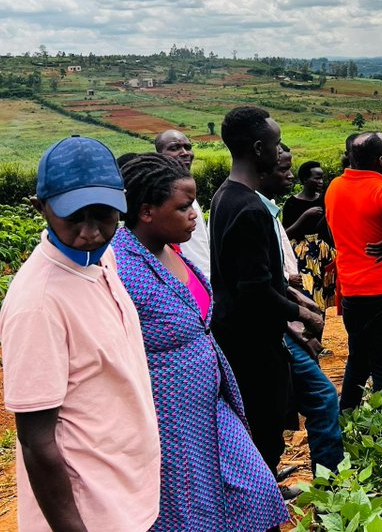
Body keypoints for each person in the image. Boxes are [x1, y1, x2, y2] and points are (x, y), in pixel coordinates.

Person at [112, 153, 289, 531]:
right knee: (189, 514)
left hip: (211, 405)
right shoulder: (120, 267)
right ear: (146, 212)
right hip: (169, 420)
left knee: (256, 490)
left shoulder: (171, 252)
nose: (195, 213)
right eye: (183, 206)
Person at [0, 136, 161, 531]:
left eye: (104, 215)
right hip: (88, 513)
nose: (90, 232)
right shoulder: (38, 304)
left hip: (125, 495)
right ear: (40, 208)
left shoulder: (100, 260)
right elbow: (37, 442)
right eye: (74, 217)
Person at [209, 106, 324, 474]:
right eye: (275, 146)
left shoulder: (223, 196)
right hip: (253, 346)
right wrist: (302, 313)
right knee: (264, 435)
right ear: (259, 149)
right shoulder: (250, 209)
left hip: (236, 339)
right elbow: (255, 291)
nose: (280, 154)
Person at [258, 147, 343, 476]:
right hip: (277, 320)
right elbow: (256, 287)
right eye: (285, 169)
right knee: (317, 398)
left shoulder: (266, 209)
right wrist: (297, 317)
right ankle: (328, 487)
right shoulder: (259, 209)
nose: (291, 175)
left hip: (306, 275)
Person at [324, 132, 382, 411]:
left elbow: (333, 231)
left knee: (358, 358)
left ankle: (347, 414)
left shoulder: (335, 187)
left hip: (352, 290)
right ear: (381, 160)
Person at [155, 129, 211, 278]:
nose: (185, 152)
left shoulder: (185, 190)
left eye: (188, 147)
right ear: (159, 155)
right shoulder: (161, 199)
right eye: (174, 148)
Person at [283, 161, 336, 310]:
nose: (320, 182)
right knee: (308, 291)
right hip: (303, 258)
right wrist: (304, 217)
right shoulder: (292, 203)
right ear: (305, 180)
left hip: (325, 255)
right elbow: (286, 234)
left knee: (328, 292)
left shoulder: (324, 199)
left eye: (322, 178)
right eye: (316, 178)